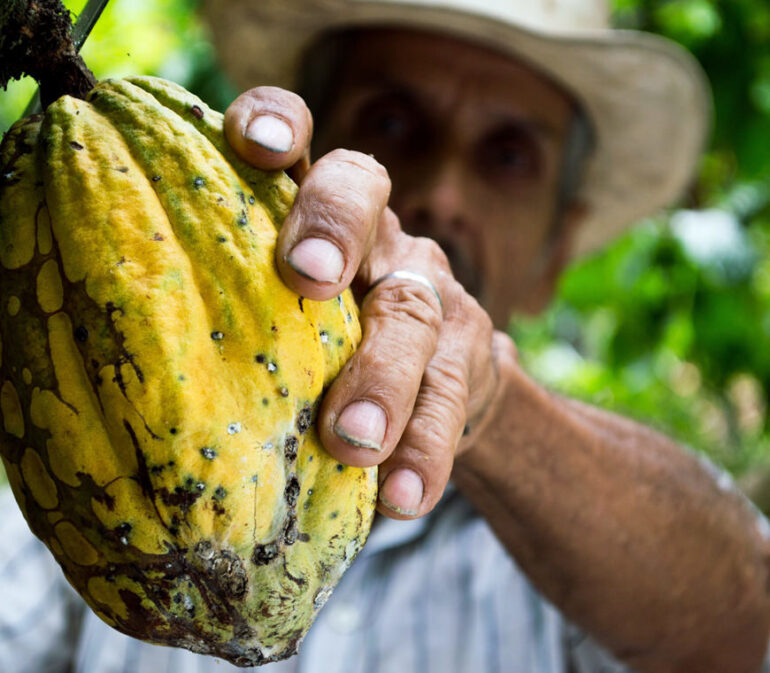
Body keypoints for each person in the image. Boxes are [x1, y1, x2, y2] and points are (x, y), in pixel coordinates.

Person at [2, 0, 770, 671]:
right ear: (299, 156)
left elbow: (744, 626)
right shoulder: (92, 441)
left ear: (557, 250)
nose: (443, 192)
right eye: (393, 122)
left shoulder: (587, 571)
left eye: (508, 155)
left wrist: (488, 402)